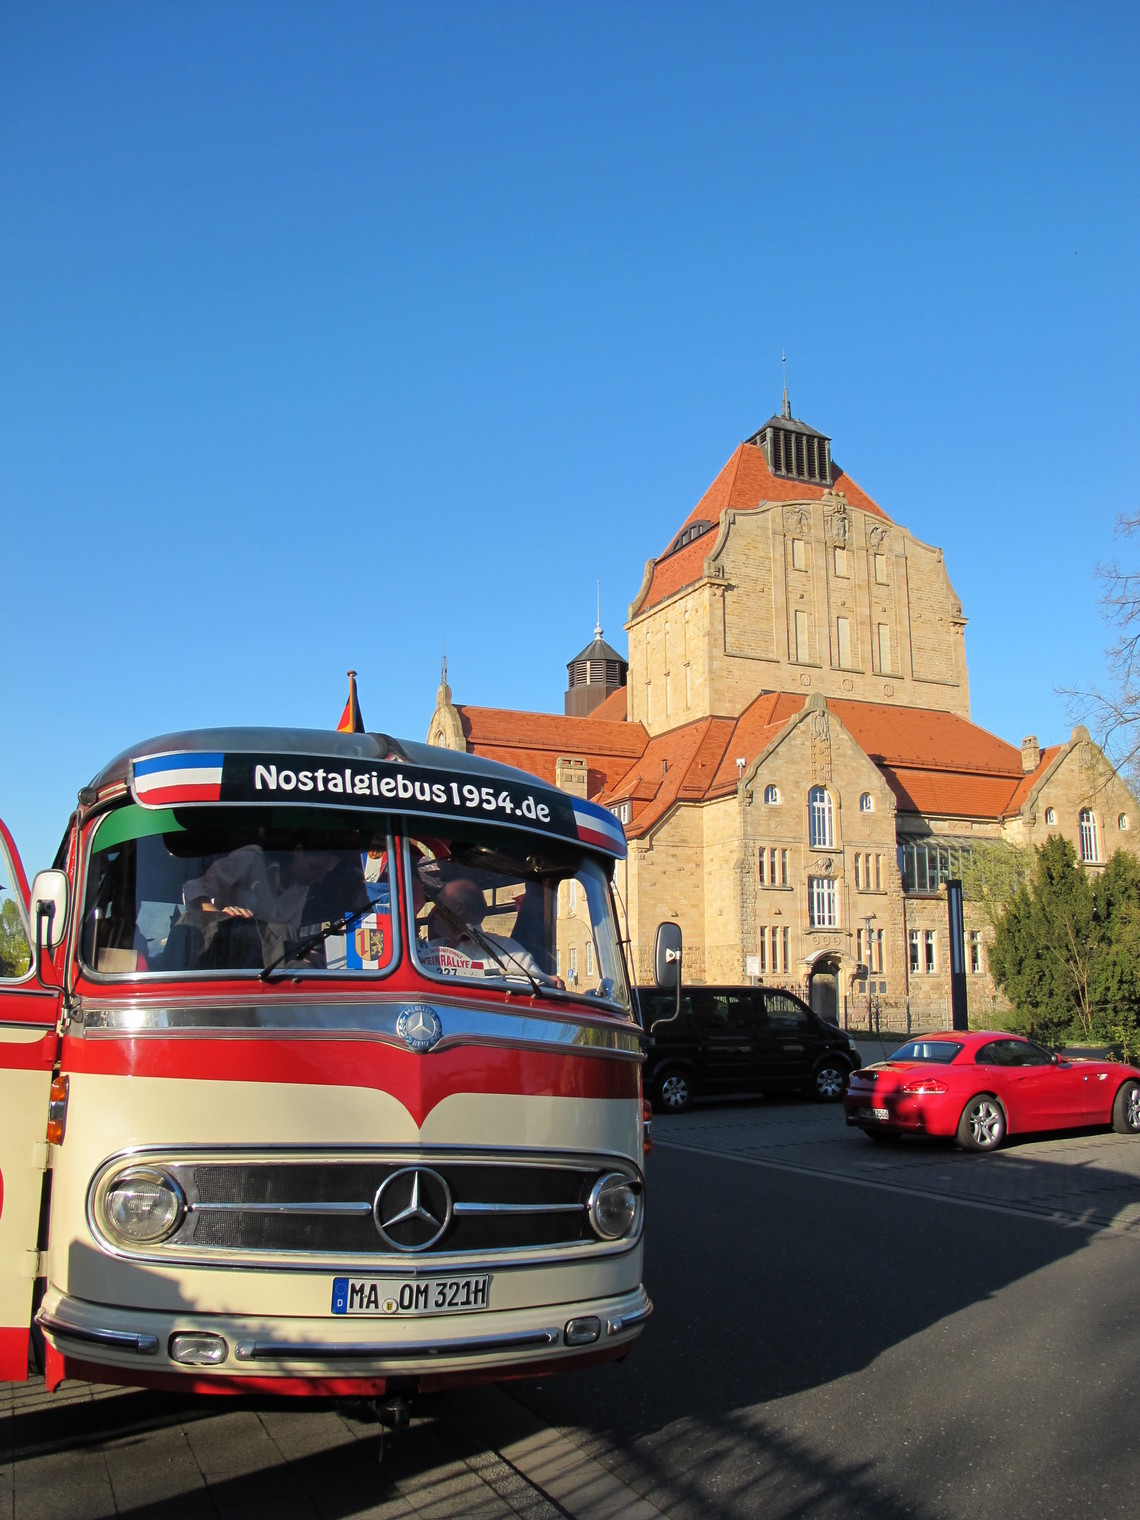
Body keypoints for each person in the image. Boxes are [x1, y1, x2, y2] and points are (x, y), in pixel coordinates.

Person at [420, 876, 558, 986]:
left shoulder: (507, 952)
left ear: (458, 908)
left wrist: (549, 983)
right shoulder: (428, 949)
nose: (433, 912)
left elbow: (536, 988)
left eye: (439, 904)